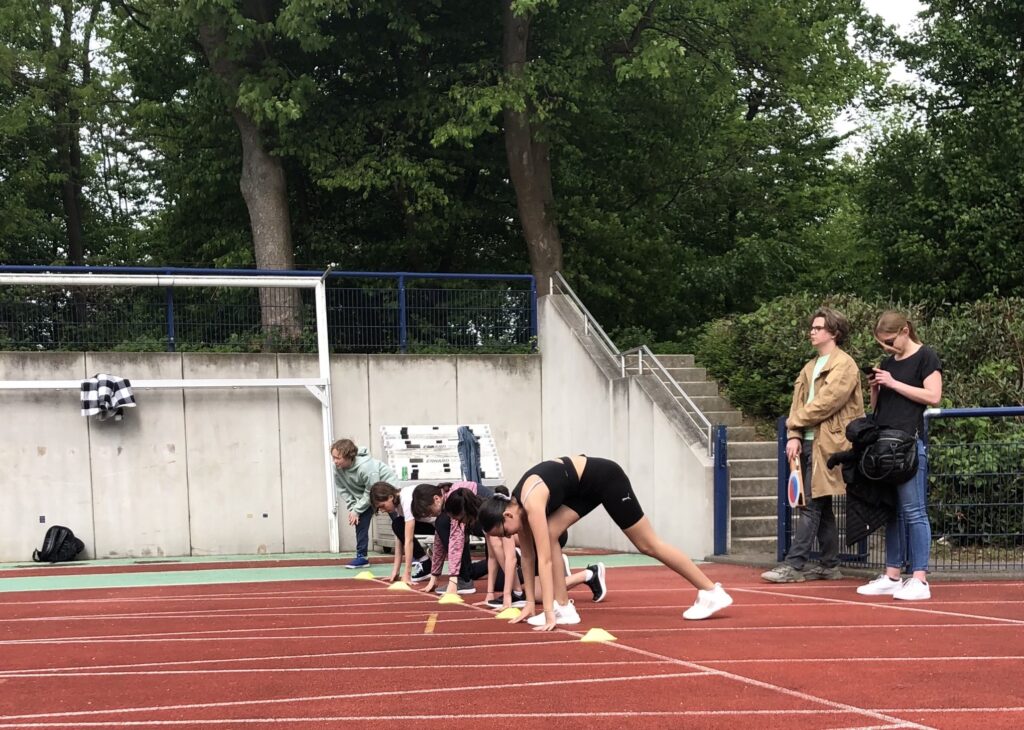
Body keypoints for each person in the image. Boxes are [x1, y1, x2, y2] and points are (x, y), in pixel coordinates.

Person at [477, 456, 732, 631]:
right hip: (582, 488)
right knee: (552, 532)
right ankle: (565, 607)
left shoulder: (531, 504)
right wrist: (531, 605)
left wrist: (548, 614)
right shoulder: (516, 508)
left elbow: (543, 558)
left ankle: (711, 592)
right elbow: (528, 558)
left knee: (647, 544)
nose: (508, 538)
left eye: (504, 533)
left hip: (607, 479)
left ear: (508, 515)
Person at [762, 307, 865, 584]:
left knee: (810, 505)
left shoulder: (845, 365)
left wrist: (792, 423)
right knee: (821, 504)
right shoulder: (809, 367)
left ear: (834, 332)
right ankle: (830, 564)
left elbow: (827, 402)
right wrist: (794, 433)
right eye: (813, 327)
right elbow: (799, 405)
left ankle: (794, 565)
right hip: (808, 444)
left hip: (829, 445)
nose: (812, 331)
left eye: (818, 327)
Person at [856, 311, 942, 601]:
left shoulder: (926, 356)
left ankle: (919, 577)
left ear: (905, 330)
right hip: (883, 444)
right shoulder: (889, 363)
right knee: (890, 510)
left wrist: (893, 382)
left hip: (908, 444)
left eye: (890, 341)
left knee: (914, 510)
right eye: (882, 343)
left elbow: (933, 396)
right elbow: (880, 407)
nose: (887, 348)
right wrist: (877, 388)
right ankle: (892, 574)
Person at [445, 487, 607, 609]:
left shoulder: (494, 517)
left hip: (544, 538)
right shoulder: (486, 519)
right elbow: (492, 558)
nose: (459, 524)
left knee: (538, 594)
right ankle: (586, 573)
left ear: (464, 513)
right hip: (531, 545)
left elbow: (510, 557)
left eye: (457, 519)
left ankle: (589, 574)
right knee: (533, 591)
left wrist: (509, 595)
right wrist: (489, 594)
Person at [411, 481, 494, 596]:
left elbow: (456, 540)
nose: (430, 516)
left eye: (429, 512)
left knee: (442, 521)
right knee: (498, 582)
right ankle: (467, 575)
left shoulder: (453, 500)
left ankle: (464, 580)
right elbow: (439, 542)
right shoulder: (446, 504)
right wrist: (434, 576)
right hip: (481, 524)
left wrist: (453, 579)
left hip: (491, 522)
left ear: (436, 499)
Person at [330, 438, 395, 569]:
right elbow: (341, 488)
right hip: (366, 494)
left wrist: (357, 509)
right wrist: (354, 507)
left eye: (338, 458)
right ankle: (362, 557)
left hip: (386, 488)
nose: (335, 461)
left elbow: (371, 490)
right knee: (360, 521)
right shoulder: (337, 468)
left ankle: (417, 555)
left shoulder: (366, 467)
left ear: (349, 457)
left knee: (398, 521)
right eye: (333, 457)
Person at [368, 481, 433, 583]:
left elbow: (409, 540)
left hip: (442, 521)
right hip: (431, 523)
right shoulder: (398, 505)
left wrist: (407, 574)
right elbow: (399, 539)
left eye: (382, 506)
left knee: (399, 526)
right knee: (397, 524)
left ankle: (463, 572)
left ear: (390, 497)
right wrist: (395, 571)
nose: (382, 510)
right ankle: (425, 562)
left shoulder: (406, 499)